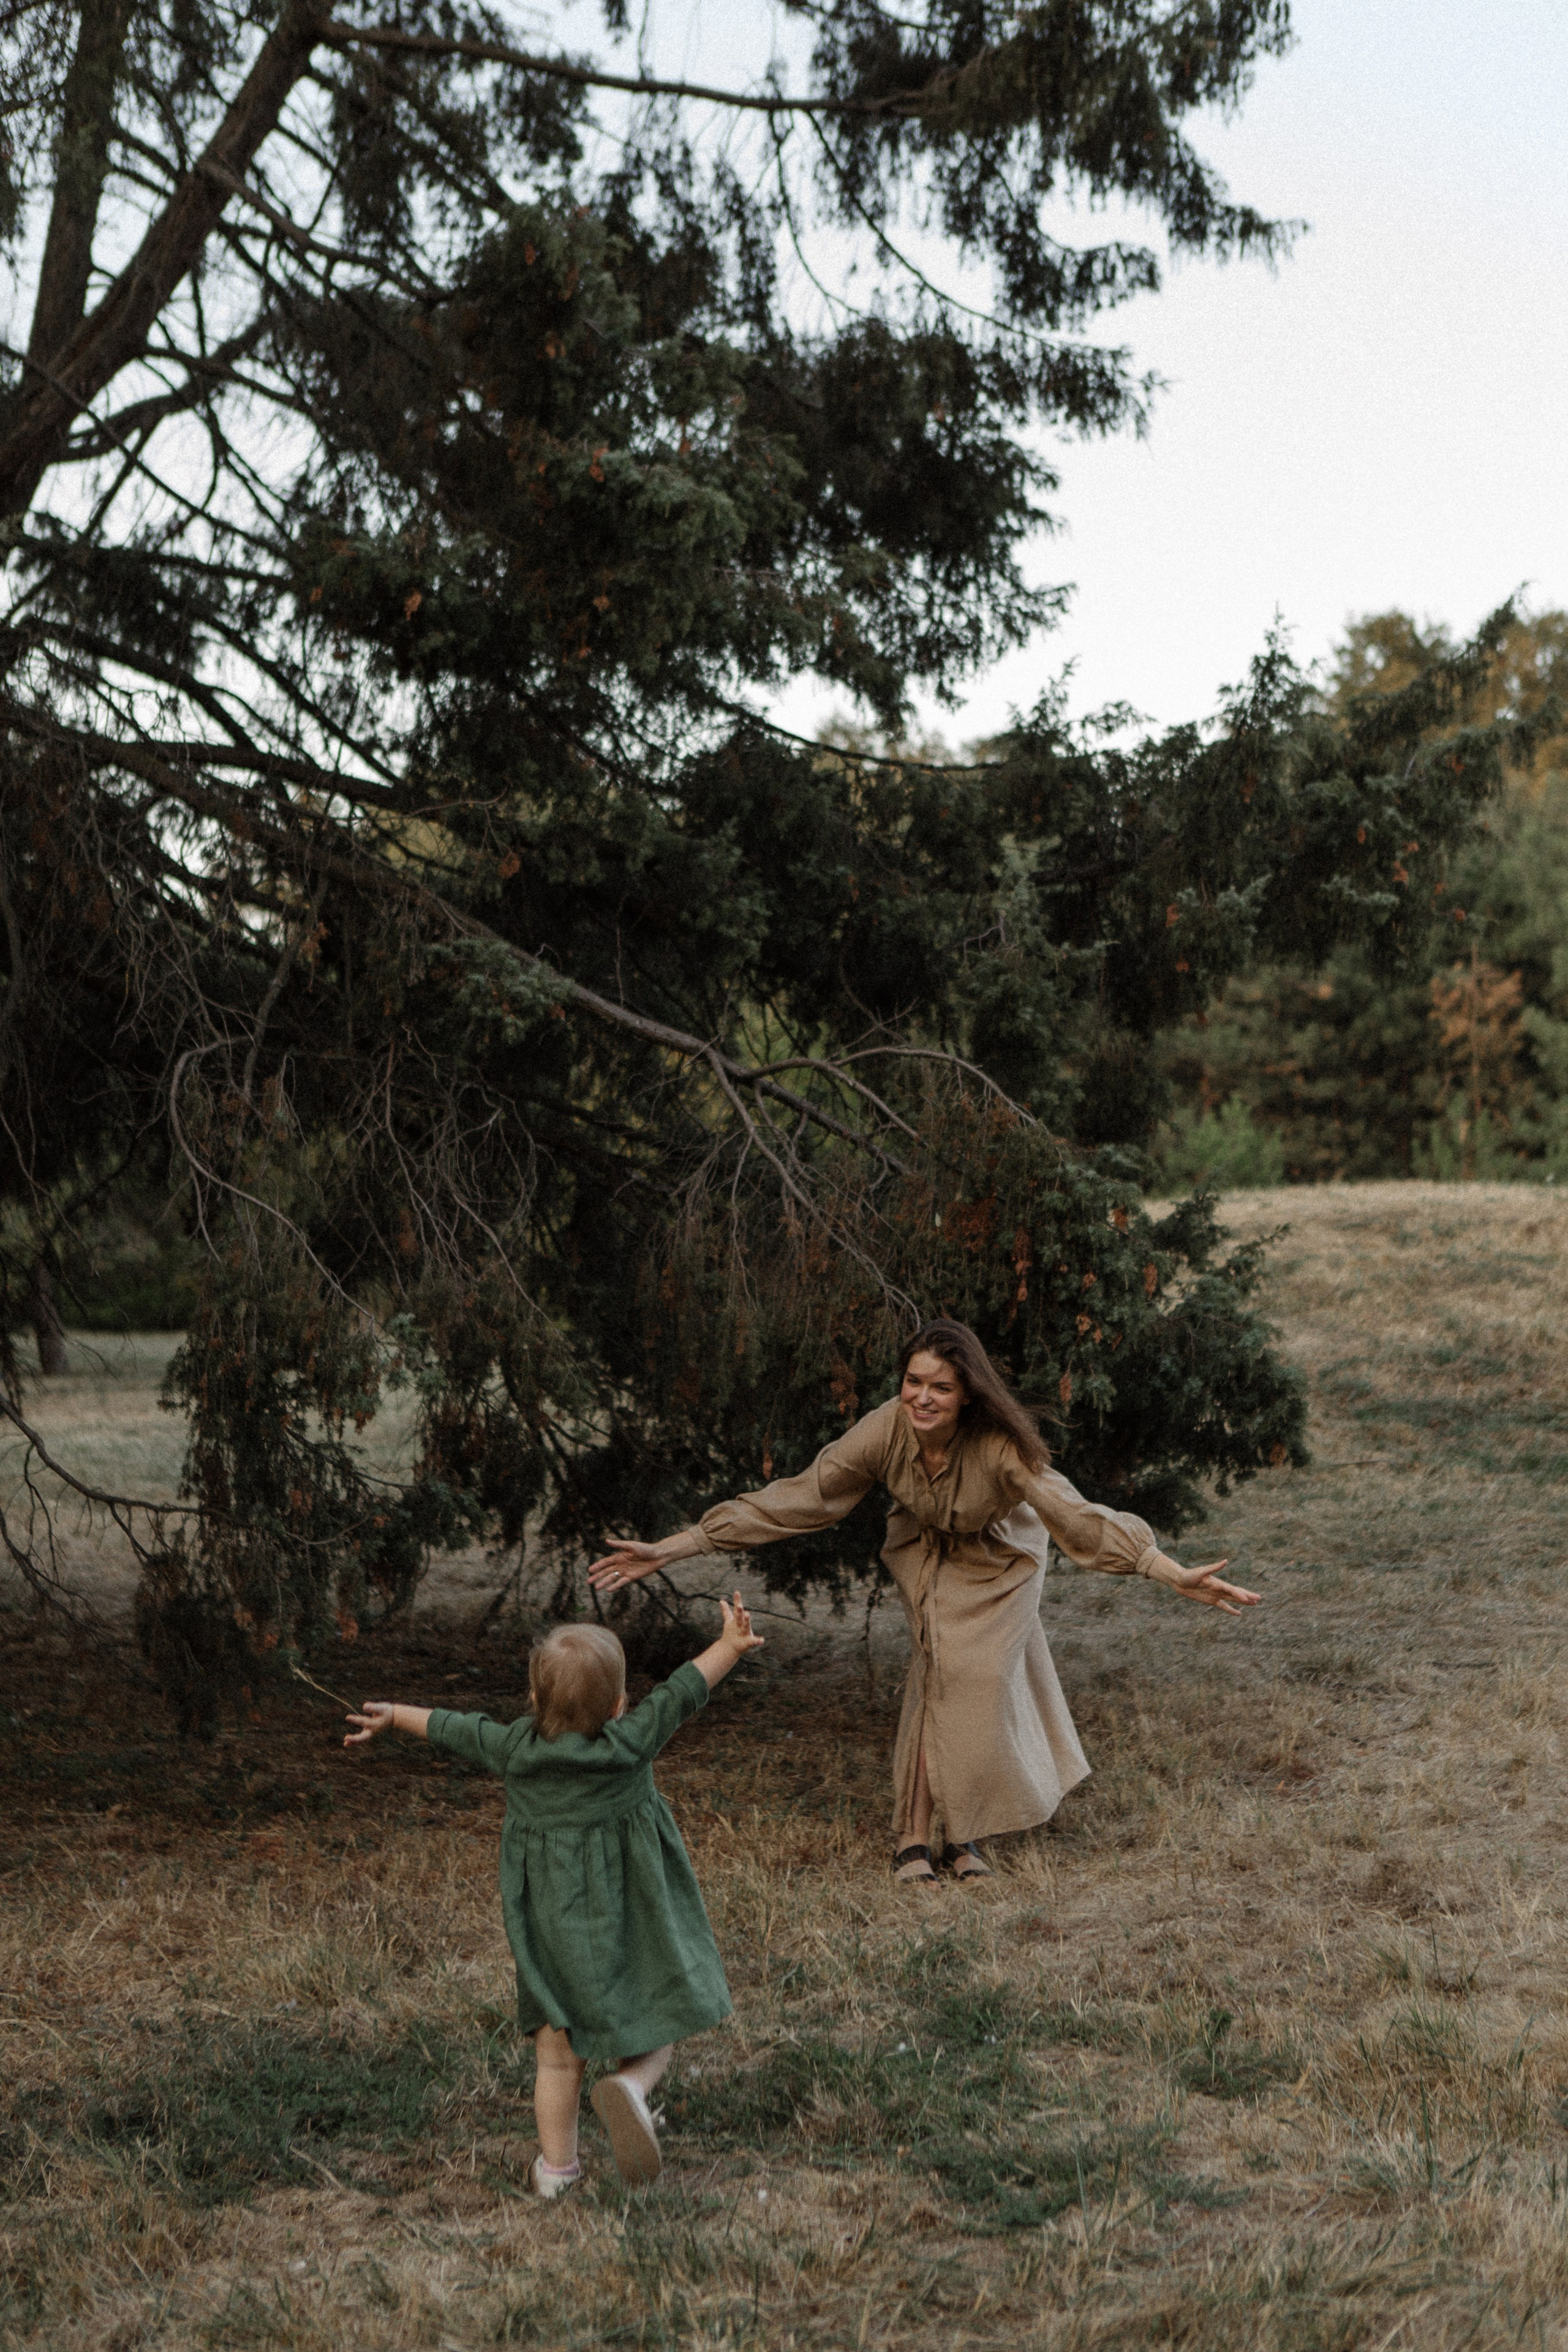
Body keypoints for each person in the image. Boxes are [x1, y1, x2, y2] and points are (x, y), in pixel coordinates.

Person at [589, 1317, 1260, 1885]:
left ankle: (960, 1834)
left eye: (940, 1387)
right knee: (938, 1668)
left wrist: (1164, 1569)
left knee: (978, 1678)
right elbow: (800, 1497)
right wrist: (672, 1548)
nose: (923, 1397)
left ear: (967, 1395)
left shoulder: (999, 1446)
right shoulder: (886, 1428)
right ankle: (920, 1836)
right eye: (914, 1382)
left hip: (1001, 1560)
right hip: (924, 1550)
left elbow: (1073, 1513)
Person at [342, 1592, 763, 2196]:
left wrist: (393, 1714)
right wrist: (728, 1644)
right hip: (631, 1921)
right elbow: (683, 1690)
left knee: (556, 2055)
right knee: (654, 2021)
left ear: (535, 1701)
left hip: (553, 1931)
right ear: (620, 1704)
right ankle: (632, 2089)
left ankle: (558, 2172)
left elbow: (455, 1727)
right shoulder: (629, 1743)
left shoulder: (515, 1748)